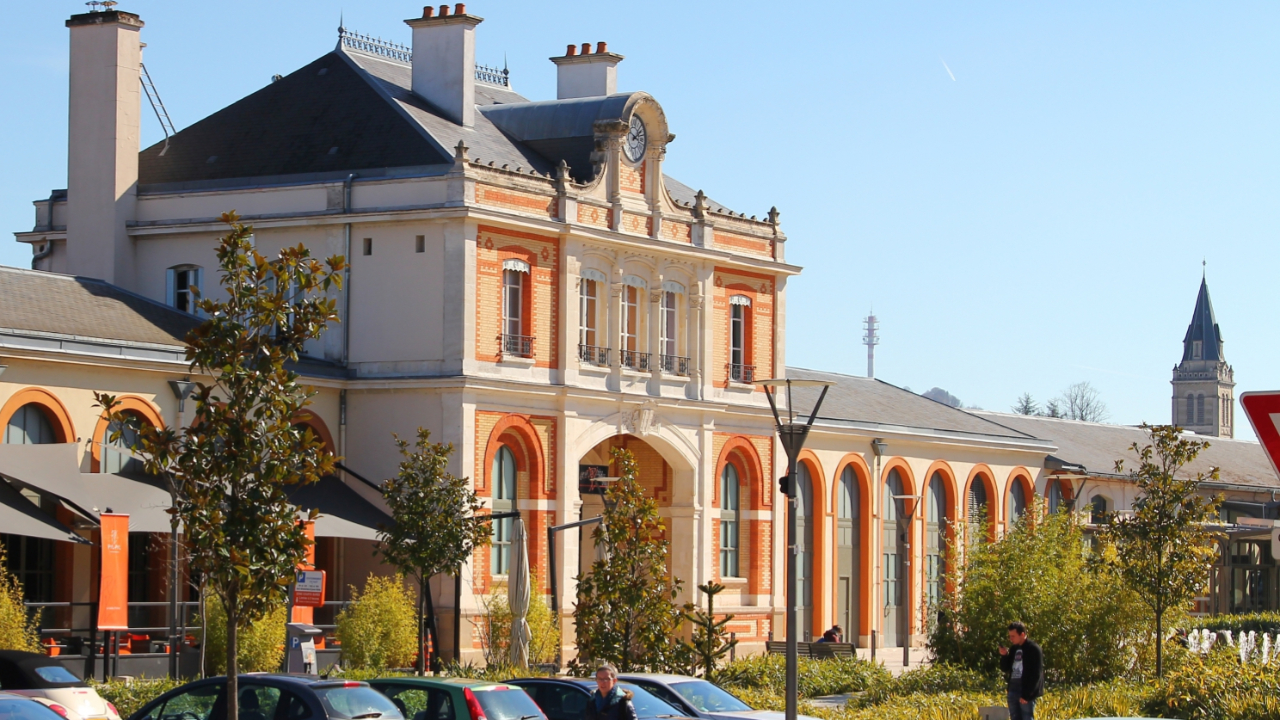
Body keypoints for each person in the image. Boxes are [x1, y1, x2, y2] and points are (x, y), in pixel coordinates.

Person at [998, 621, 1043, 720]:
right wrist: (1004, 655)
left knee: (1027, 717)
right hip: (1013, 690)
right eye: (1010, 636)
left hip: (1025, 691)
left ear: (1022, 634)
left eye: (1013, 636)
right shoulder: (1014, 649)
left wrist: (1027, 695)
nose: (1011, 639)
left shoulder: (1033, 649)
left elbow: (1036, 674)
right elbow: (1005, 668)